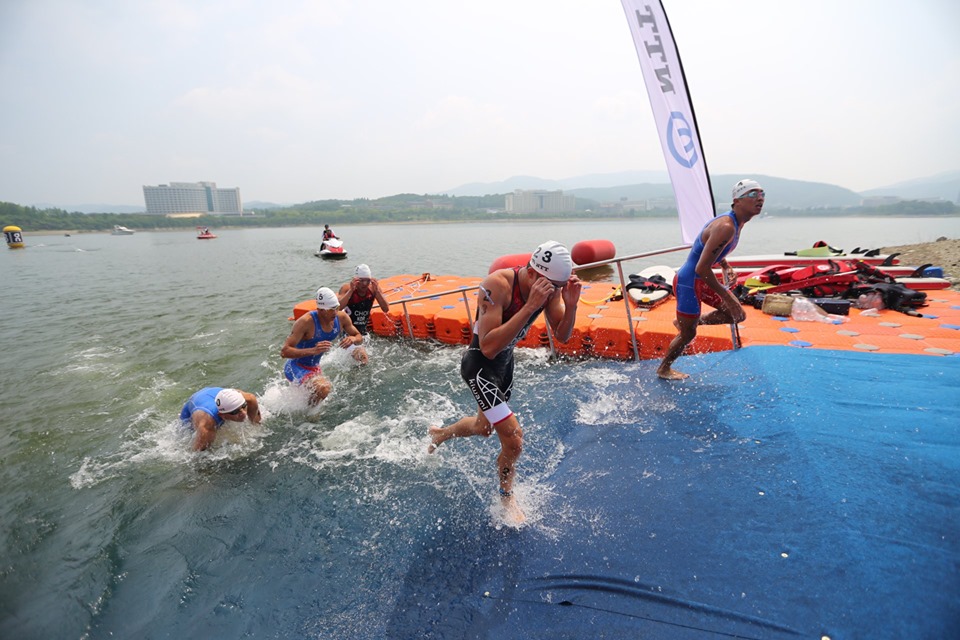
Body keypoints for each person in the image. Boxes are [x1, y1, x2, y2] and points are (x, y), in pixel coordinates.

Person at [427, 241, 582, 525]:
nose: (553, 293)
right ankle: (506, 497)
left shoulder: (551, 288)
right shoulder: (496, 286)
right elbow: (487, 347)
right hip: (480, 366)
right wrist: (531, 306)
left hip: (504, 366)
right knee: (514, 441)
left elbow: (562, 335)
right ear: (533, 274)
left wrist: (571, 305)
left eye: (557, 288)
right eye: (551, 287)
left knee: (482, 428)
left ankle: (440, 434)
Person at [657, 179, 765, 380]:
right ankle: (664, 368)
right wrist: (728, 295)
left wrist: (724, 264)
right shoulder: (726, 226)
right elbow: (701, 267)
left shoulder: (736, 222)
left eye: (761, 194)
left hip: (702, 279)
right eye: (752, 194)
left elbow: (710, 248)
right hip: (688, 282)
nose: (759, 198)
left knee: (737, 316)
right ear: (737, 201)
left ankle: (688, 323)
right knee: (689, 335)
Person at [281, 286, 364, 403]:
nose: (335, 312)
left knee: (362, 357)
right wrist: (313, 350)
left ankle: (309, 410)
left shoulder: (341, 318)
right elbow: (284, 352)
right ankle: (309, 414)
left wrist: (352, 339)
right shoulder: (305, 322)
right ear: (320, 310)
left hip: (314, 367)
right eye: (331, 310)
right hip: (296, 367)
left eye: (337, 308)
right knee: (323, 388)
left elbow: (359, 337)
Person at [179, 387, 261, 451]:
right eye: (235, 412)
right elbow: (197, 454)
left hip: (215, 392)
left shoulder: (250, 400)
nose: (243, 413)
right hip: (195, 403)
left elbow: (257, 424)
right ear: (222, 416)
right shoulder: (207, 424)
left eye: (243, 406)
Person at [337, 264, 390, 363]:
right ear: (355, 280)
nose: (365, 284)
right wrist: (350, 291)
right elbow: (338, 308)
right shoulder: (346, 288)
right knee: (363, 358)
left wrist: (377, 292)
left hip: (363, 333)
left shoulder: (373, 289)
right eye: (361, 281)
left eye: (367, 280)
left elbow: (386, 309)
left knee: (361, 360)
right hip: (348, 333)